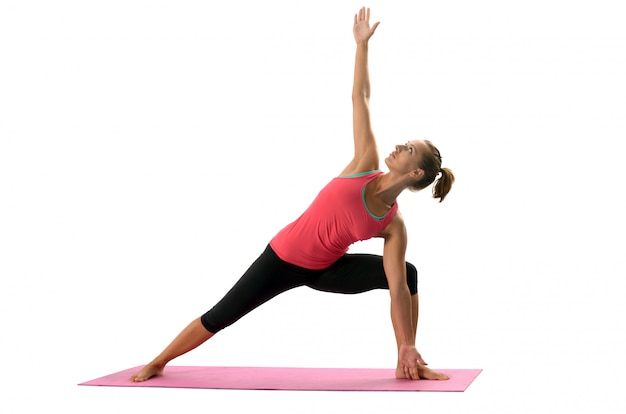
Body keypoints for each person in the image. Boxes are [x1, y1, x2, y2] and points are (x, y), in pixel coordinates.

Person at [130, 7, 454, 382]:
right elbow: (360, 97)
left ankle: (407, 359)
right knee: (221, 315)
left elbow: (397, 289)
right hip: (282, 258)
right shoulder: (364, 162)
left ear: (415, 173)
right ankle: (159, 360)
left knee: (407, 274)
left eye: (409, 149)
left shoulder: (393, 224)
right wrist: (361, 47)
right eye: (406, 142)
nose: (400, 145)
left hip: (327, 270)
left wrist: (404, 342)